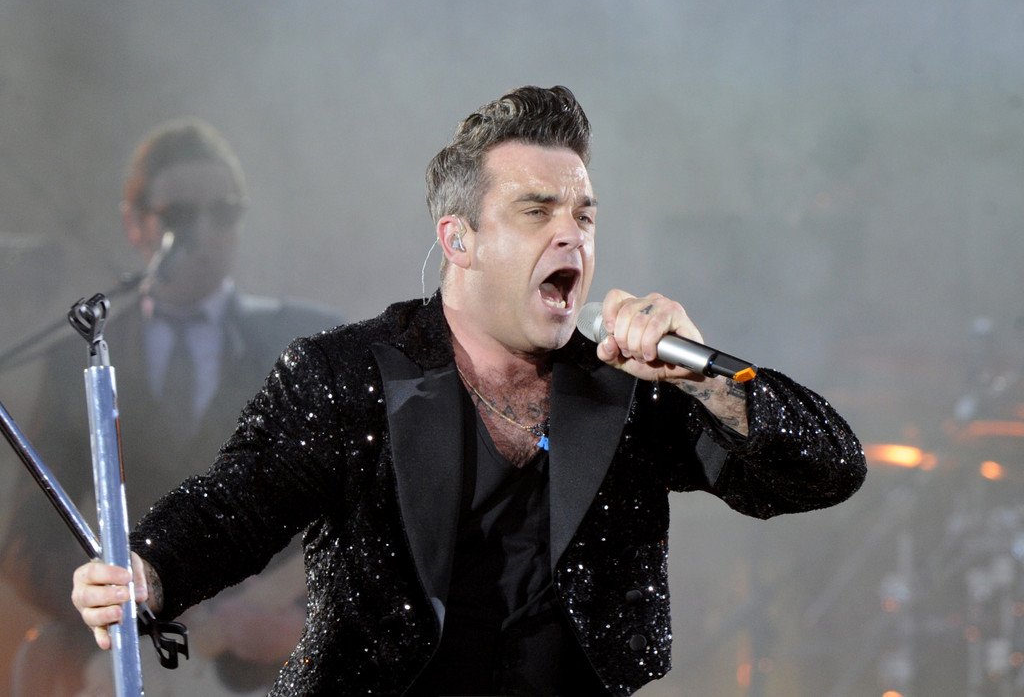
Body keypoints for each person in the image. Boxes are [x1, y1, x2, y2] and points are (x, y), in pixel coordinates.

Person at [70, 86, 866, 696]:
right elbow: (238, 503)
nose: (571, 234)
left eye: (584, 216)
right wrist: (148, 570)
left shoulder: (626, 384)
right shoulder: (350, 374)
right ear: (460, 239)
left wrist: (704, 378)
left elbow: (829, 468)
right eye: (536, 211)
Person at [0, 118, 340, 696]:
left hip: (266, 668)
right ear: (135, 225)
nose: (204, 232)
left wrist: (308, 622)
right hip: (127, 660)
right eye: (180, 215)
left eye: (224, 213)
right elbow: (29, 539)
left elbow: (367, 512)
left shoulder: (305, 345)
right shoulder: (80, 356)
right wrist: (98, 596)